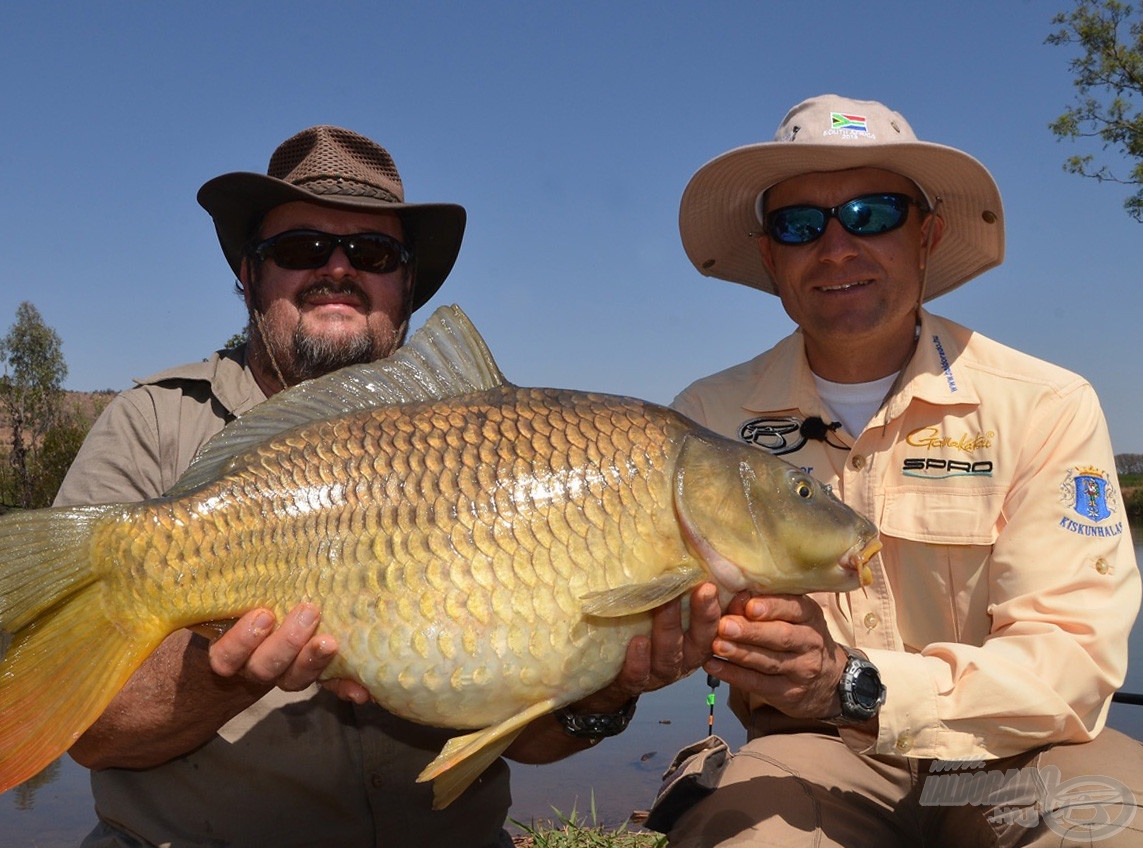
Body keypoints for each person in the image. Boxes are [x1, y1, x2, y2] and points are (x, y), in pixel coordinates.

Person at [54, 125, 721, 848]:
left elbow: (525, 739)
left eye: (372, 255)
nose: (337, 269)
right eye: (301, 249)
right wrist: (229, 675)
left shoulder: (499, 446)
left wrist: (611, 689)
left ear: (407, 287)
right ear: (248, 275)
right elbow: (87, 732)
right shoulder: (153, 427)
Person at [650, 94, 1143, 846]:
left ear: (927, 236)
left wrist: (848, 682)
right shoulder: (705, 418)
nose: (838, 246)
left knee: (1105, 829)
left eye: (874, 214)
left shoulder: (1046, 405)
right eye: (800, 225)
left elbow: (1072, 661)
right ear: (769, 256)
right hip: (813, 755)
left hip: (1020, 750)